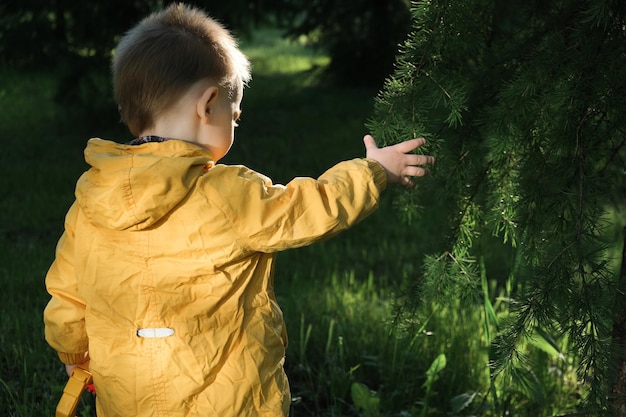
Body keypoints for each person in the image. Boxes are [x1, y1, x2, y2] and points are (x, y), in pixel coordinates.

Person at [43, 3, 434, 417]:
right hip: (228, 401)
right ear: (208, 104)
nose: (235, 120)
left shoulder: (91, 200)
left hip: (126, 398)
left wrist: (71, 350)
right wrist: (372, 172)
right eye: (236, 113)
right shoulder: (227, 194)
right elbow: (307, 208)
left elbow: (67, 290)